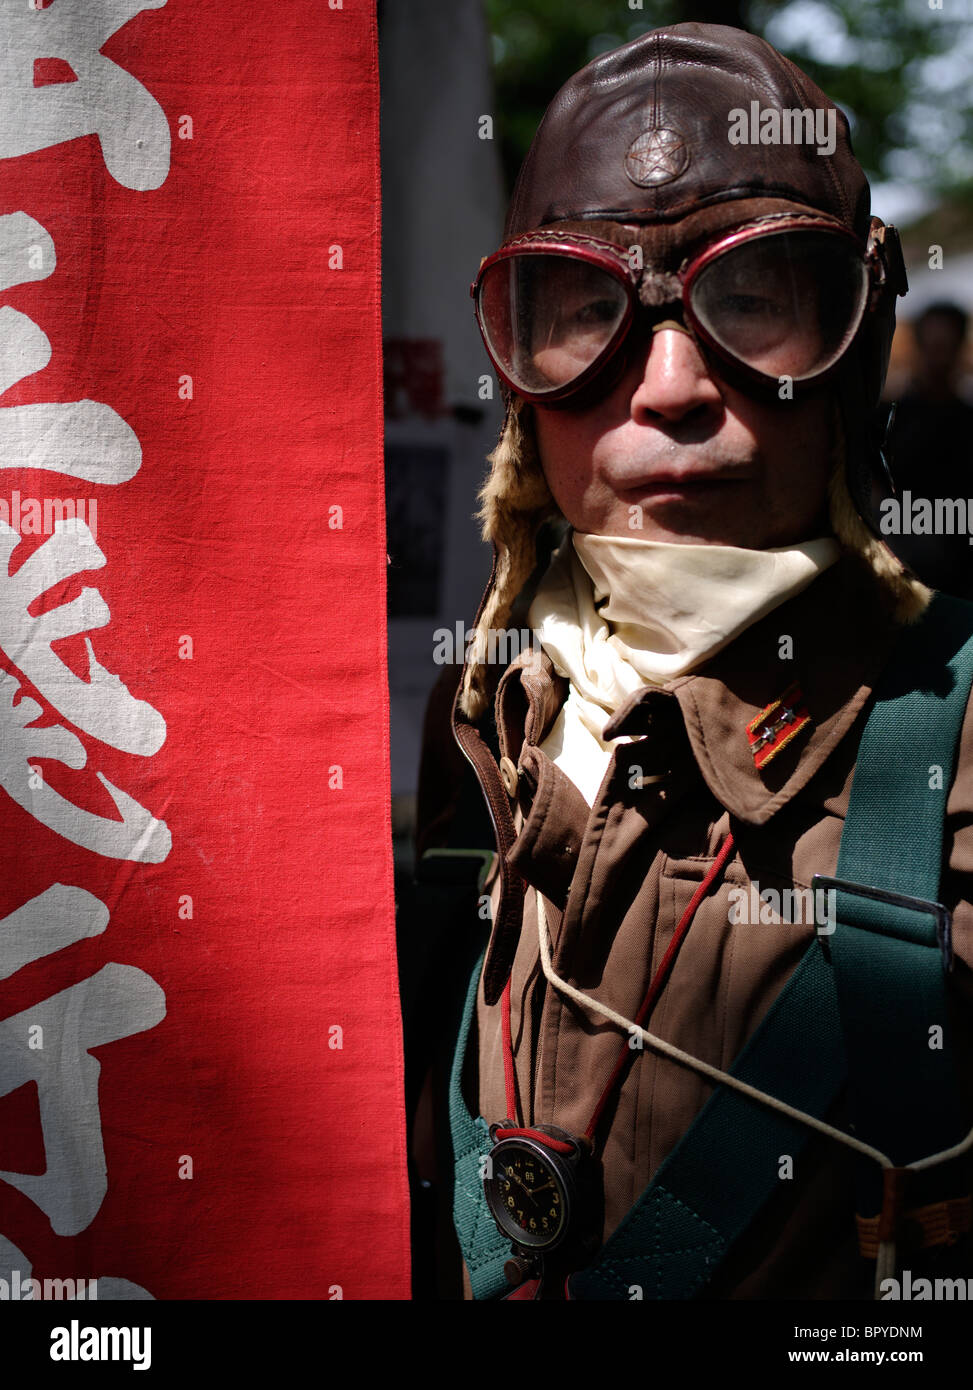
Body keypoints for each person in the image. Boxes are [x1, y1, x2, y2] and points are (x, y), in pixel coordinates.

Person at [417, 22, 973, 1300]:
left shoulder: (958, 735)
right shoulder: (488, 709)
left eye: (760, 298)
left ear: (855, 343)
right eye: (577, 311)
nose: (666, 385)